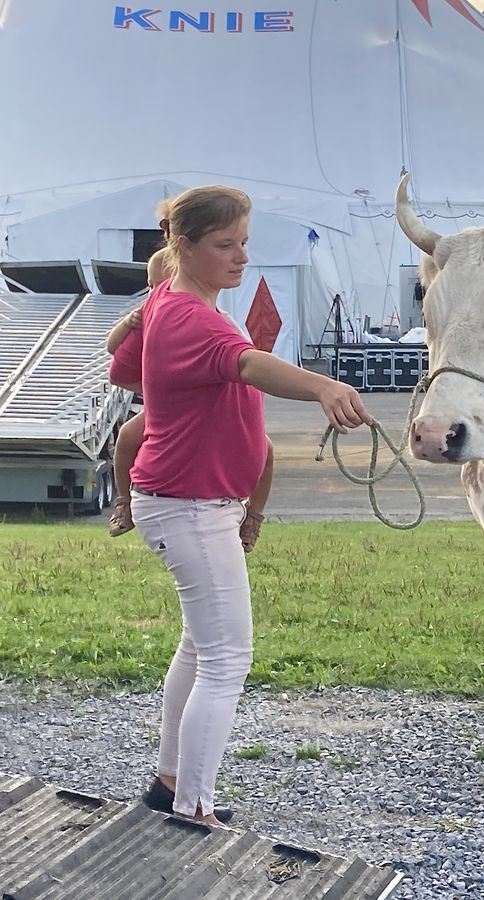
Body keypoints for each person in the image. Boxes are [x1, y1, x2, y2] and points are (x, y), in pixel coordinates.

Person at [108, 185, 372, 827]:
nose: (240, 257)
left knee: (200, 649)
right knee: (227, 659)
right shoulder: (191, 317)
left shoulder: (176, 304)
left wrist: (249, 507)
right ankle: (194, 807)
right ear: (182, 244)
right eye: (225, 245)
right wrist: (323, 387)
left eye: (245, 243)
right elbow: (251, 366)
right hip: (189, 505)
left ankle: (171, 784)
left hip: (192, 502)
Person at [107, 246, 275, 551]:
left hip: (213, 405)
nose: (156, 293)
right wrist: (158, 391)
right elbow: (116, 364)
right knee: (127, 436)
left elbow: (245, 368)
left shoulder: (212, 322)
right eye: (151, 286)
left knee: (265, 451)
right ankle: (124, 501)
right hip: (176, 410)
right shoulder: (148, 319)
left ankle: (253, 516)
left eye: (161, 285)